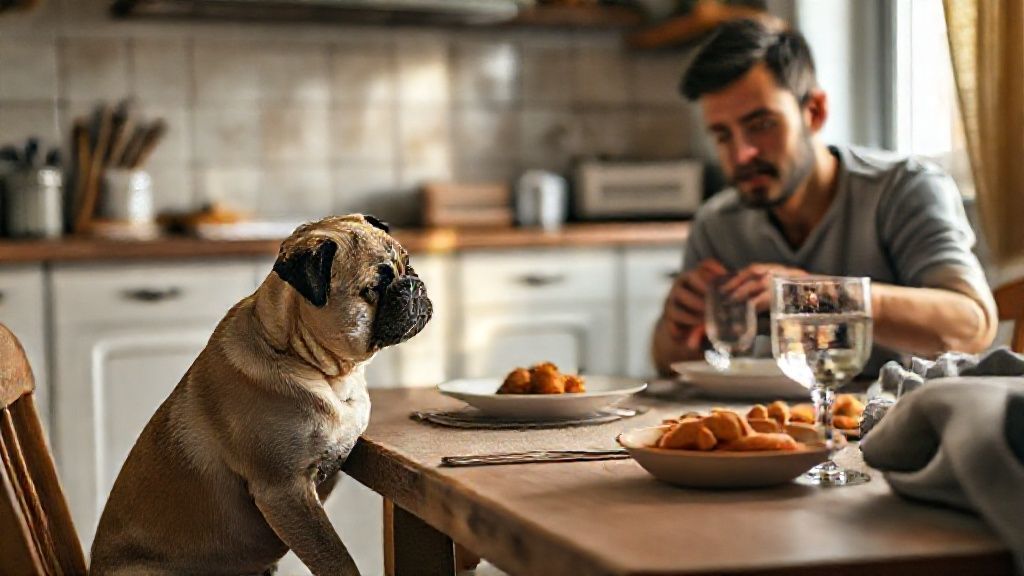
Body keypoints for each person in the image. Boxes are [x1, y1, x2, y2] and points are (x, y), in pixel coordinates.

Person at [652, 18, 997, 376]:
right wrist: (676, 323)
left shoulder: (904, 188)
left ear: (815, 111)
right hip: (771, 425)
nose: (742, 155)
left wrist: (816, 295)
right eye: (723, 136)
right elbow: (671, 366)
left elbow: (972, 326)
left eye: (761, 125)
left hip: (896, 421)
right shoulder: (717, 223)